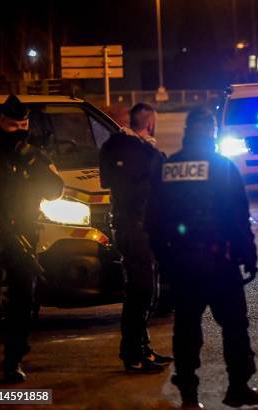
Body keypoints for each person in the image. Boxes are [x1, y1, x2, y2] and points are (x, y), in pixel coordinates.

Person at [146, 107, 258, 409]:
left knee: (186, 329)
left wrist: (165, 260)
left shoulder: (168, 168)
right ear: (211, 132)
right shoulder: (222, 167)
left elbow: (153, 221)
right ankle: (237, 387)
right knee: (235, 327)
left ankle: (189, 396)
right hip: (220, 263)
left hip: (182, 265)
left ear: (187, 130)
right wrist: (248, 257)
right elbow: (238, 217)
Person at [0, 95, 64, 387]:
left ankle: (13, 360)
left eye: (24, 124)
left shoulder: (35, 155)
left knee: (23, 301)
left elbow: (55, 190)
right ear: (0, 123)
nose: (19, 129)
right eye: (12, 124)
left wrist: (32, 159)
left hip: (25, 237)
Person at [99, 103, 172, 373]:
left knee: (137, 289)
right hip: (140, 228)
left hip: (123, 225)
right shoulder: (148, 152)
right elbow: (163, 190)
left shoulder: (110, 147)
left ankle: (142, 348)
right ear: (150, 123)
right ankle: (133, 353)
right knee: (143, 291)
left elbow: (105, 181)